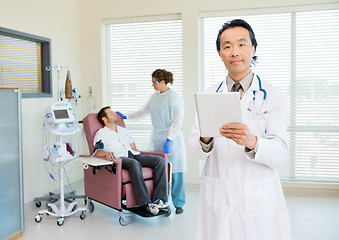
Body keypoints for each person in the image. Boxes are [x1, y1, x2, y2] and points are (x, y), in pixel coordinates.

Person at [189, 19, 291, 240]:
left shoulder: (272, 96)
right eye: (227, 46)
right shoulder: (208, 96)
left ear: (253, 48)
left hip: (258, 198)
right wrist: (206, 137)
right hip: (218, 196)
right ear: (220, 53)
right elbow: (194, 151)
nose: (234, 51)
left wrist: (251, 141)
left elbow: (281, 153)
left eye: (241, 44)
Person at [116, 69, 187, 214]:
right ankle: (162, 202)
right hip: (157, 136)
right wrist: (126, 116)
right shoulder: (154, 97)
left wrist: (169, 139)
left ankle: (179, 203)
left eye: (155, 82)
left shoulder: (174, 97)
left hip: (172, 138)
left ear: (163, 82)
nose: (153, 85)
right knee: (161, 171)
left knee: (175, 172)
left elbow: (177, 121)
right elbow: (143, 111)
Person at [93, 106, 169, 215]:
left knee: (160, 161)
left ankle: (159, 199)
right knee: (134, 164)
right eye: (110, 113)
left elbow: (134, 147)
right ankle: (145, 203)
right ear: (104, 119)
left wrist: (145, 156)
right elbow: (97, 151)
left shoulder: (124, 130)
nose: (114, 114)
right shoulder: (101, 133)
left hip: (133, 154)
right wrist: (106, 153)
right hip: (119, 158)